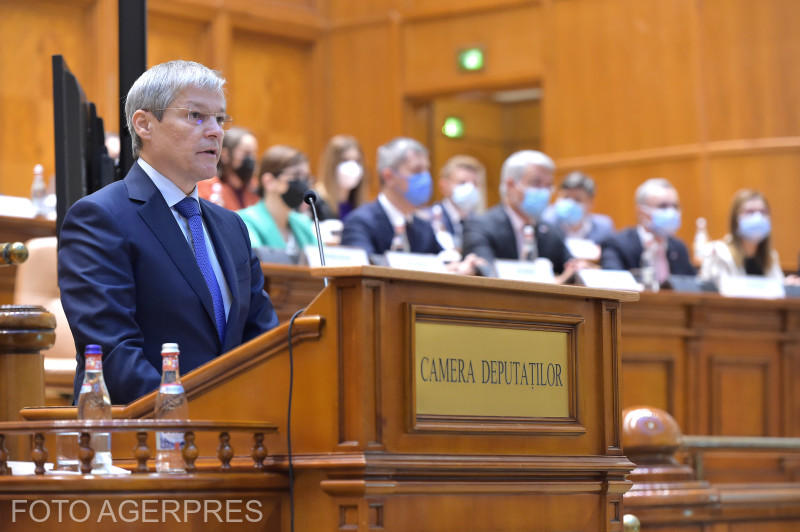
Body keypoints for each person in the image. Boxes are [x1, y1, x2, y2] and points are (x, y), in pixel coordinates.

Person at [58, 60, 279, 404]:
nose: (216, 132)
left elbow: (261, 338)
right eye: (196, 116)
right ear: (144, 124)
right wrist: (189, 415)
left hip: (228, 435)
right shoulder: (100, 217)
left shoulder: (232, 226)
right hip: (136, 436)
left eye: (219, 119)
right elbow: (113, 353)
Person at [462, 150, 577, 283]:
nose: (544, 192)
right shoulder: (479, 226)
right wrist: (553, 283)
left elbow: (571, 269)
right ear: (510, 185)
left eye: (548, 185)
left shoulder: (551, 231)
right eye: (536, 183)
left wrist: (577, 269)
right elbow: (486, 273)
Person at [601, 177, 695, 282]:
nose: (671, 212)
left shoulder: (679, 248)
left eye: (675, 206)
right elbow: (614, 286)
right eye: (663, 206)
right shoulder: (617, 245)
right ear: (641, 212)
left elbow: (692, 288)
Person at [237, 145, 317, 255]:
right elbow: (257, 264)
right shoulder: (244, 221)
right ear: (269, 181)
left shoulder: (303, 223)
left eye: (306, 177)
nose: (302, 183)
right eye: (296, 175)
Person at [700, 189, 785, 284]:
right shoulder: (718, 254)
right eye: (750, 212)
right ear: (735, 219)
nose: (758, 217)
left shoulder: (771, 257)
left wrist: (787, 285)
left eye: (763, 212)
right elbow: (710, 293)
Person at [427, 155, 486, 253]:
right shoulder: (431, 218)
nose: (470, 188)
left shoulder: (480, 223)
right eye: (462, 182)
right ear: (443, 185)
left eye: (475, 184)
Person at [541, 171, 614, 245]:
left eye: (577, 200)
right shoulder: (546, 222)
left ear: (590, 203)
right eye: (566, 197)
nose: (570, 203)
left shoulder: (603, 227)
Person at [198, 126, 260, 210]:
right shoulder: (207, 189)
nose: (251, 159)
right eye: (246, 153)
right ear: (225, 155)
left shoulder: (256, 187)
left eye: (253, 153)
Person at [314, 135, 366, 221]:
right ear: (331, 165)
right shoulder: (315, 202)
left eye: (357, 160)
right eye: (345, 160)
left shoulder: (361, 205)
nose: (352, 166)